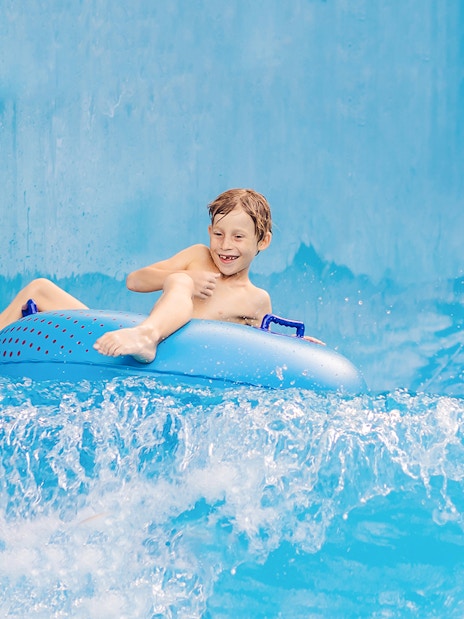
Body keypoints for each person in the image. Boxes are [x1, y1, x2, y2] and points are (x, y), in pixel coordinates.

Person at [0, 188, 274, 363]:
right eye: (218, 234)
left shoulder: (256, 299)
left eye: (238, 237)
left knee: (180, 281)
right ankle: (146, 335)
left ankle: (147, 336)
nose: (226, 245)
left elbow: (265, 347)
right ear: (209, 232)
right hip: (131, 343)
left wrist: (296, 344)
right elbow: (135, 281)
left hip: (168, 357)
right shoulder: (198, 257)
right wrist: (187, 276)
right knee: (38, 288)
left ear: (262, 242)